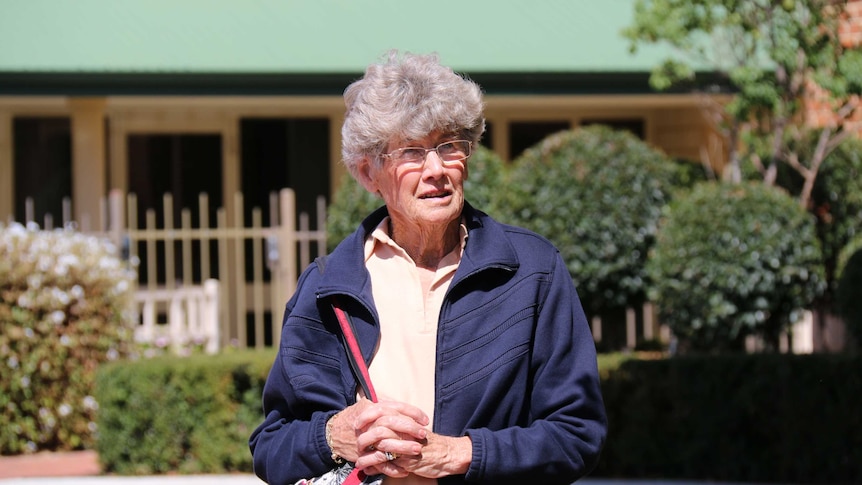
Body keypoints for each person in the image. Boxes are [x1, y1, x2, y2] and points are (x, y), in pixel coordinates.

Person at [249, 50, 607, 485]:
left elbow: (577, 434)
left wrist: (463, 455)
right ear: (369, 173)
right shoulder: (328, 287)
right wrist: (332, 437)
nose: (436, 169)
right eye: (412, 152)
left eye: (449, 147)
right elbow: (271, 446)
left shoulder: (531, 271)